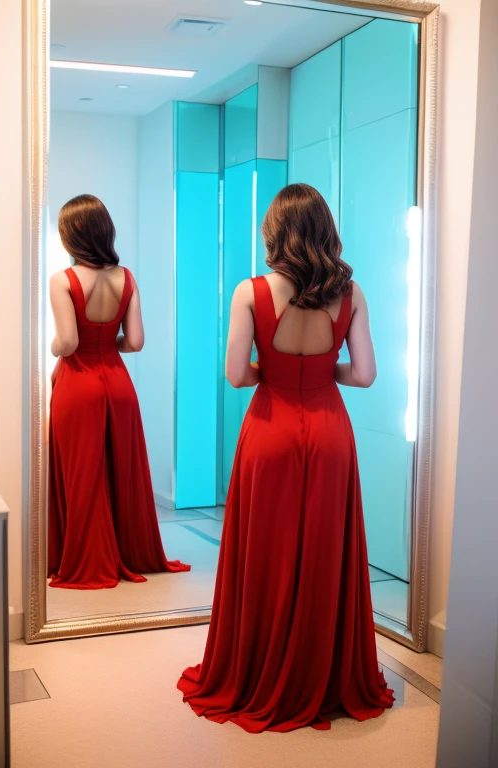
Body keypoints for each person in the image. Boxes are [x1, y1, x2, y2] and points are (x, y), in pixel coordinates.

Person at [177, 183, 394, 731]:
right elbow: (365, 375)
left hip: (269, 429)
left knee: (266, 552)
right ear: (324, 229)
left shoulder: (250, 292)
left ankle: (258, 672)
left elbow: (235, 375)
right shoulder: (352, 294)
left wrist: (273, 371)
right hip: (328, 432)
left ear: (274, 231)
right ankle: (320, 677)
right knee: (325, 551)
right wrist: (323, 374)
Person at [47, 194, 190, 589]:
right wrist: (108, 343)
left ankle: (87, 561)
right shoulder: (126, 277)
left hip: (78, 384)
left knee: (83, 475)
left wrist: (53, 346)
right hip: (118, 383)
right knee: (120, 472)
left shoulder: (63, 280)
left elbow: (69, 343)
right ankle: (128, 553)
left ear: (71, 236)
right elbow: (137, 341)